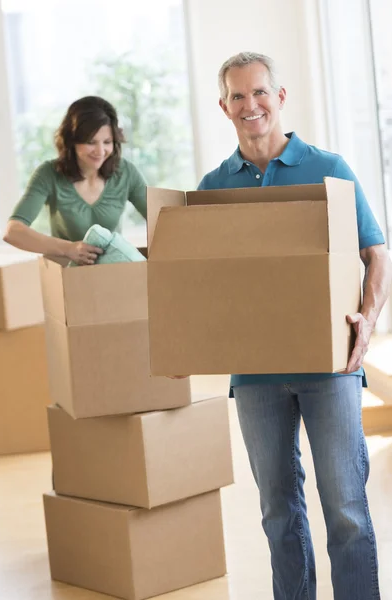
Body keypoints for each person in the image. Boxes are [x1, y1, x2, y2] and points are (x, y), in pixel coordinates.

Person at [197, 52, 392, 600]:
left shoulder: (329, 168)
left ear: (279, 97)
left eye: (259, 93)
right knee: (278, 513)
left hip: (329, 366)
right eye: (237, 97)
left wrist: (367, 321)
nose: (249, 106)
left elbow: (377, 254)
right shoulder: (214, 186)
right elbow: (201, 283)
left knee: (347, 508)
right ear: (223, 106)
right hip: (255, 375)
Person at [4, 96, 147, 265]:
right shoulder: (49, 174)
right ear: (72, 141)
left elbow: (162, 220)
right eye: (91, 142)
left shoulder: (125, 172)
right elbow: (13, 232)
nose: (101, 151)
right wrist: (69, 249)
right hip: (68, 279)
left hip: (114, 276)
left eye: (107, 142)